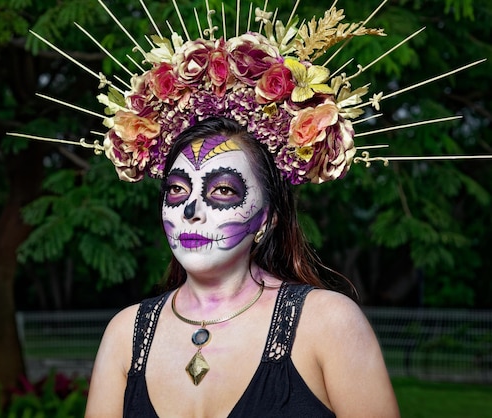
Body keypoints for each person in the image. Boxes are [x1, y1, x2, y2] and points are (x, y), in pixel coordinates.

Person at [84, 117, 400, 417]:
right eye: (177, 189)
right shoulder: (125, 334)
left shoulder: (328, 324)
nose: (191, 211)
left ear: (267, 218)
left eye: (223, 190)